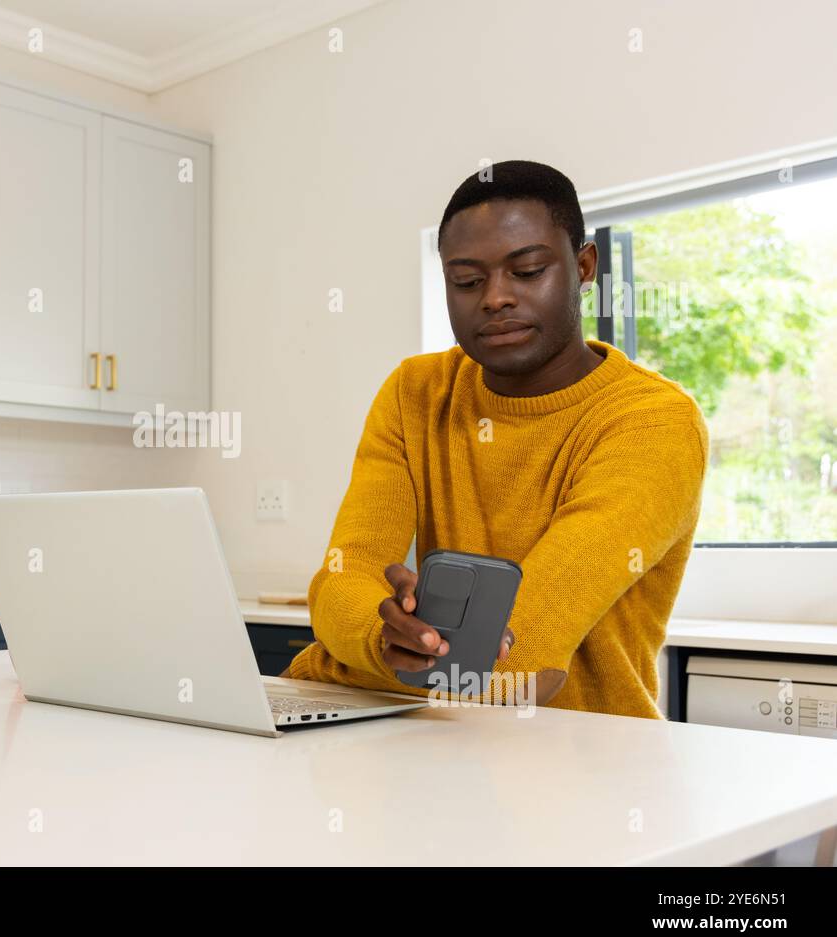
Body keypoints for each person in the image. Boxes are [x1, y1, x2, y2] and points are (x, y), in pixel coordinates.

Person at [285, 160, 708, 719]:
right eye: (466, 281)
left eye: (528, 270)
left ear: (584, 266)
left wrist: (336, 662)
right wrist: (382, 639)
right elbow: (344, 578)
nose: (495, 298)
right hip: (429, 738)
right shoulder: (416, 391)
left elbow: (517, 664)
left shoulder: (652, 423)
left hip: (584, 763)